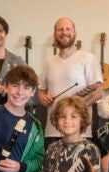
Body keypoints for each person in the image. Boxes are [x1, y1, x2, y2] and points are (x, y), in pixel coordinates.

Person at [38, 17, 103, 148]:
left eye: (68, 29)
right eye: (60, 29)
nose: (64, 32)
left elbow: (98, 92)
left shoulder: (88, 58)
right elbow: (41, 90)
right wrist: (43, 98)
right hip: (52, 131)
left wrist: (75, 108)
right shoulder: (48, 62)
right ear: (55, 34)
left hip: (80, 132)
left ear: (75, 33)